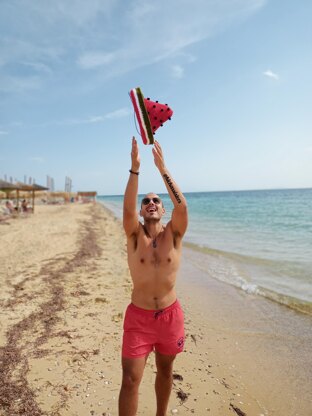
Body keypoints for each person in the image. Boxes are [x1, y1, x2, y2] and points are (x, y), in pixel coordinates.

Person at [119, 137, 188, 416]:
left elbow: (182, 207)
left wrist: (162, 168)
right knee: (130, 379)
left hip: (171, 317)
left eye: (156, 200)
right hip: (139, 318)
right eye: (146, 200)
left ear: (162, 209)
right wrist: (135, 168)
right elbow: (126, 211)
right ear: (141, 210)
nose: (150, 202)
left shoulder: (175, 233)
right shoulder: (135, 235)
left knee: (166, 371)